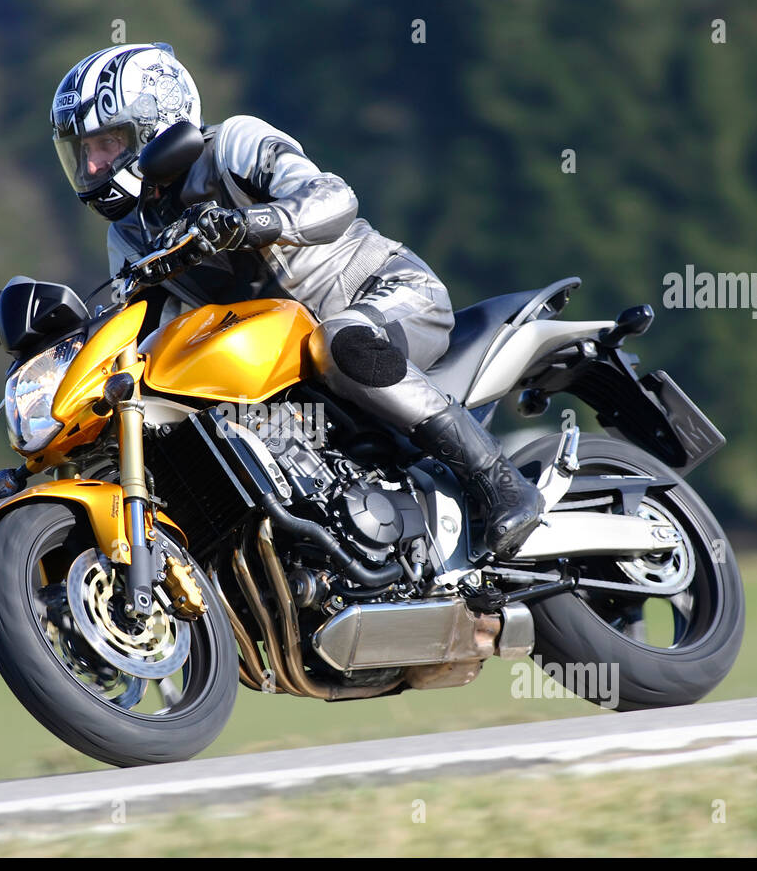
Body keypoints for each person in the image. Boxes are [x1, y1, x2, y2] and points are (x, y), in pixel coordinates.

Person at [51, 43, 544, 559]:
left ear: (154, 123)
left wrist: (253, 222)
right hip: (285, 366)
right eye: (80, 150)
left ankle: (501, 481)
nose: (92, 162)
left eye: (106, 142)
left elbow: (334, 197)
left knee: (338, 341)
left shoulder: (232, 144)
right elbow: (144, 333)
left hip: (383, 292)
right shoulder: (128, 235)